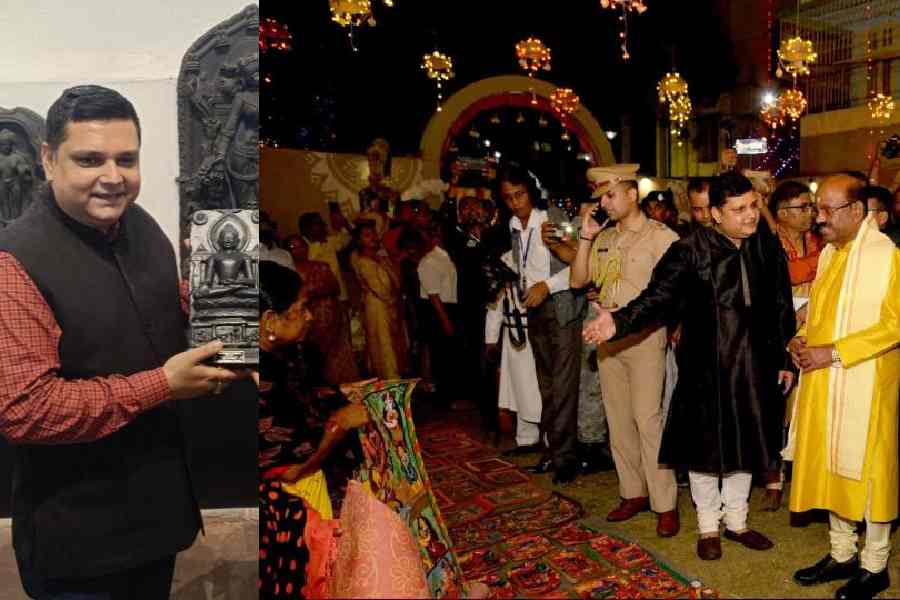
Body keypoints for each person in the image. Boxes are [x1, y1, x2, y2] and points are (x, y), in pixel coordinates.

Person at [0, 85, 245, 599]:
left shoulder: (140, 224)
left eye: (126, 159)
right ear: (48, 159)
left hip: (158, 513)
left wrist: (224, 317)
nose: (113, 177)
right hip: (79, 540)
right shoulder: (13, 261)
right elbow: (25, 409)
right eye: (89, 159)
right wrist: (162, 384)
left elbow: (157, 302)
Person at [584, 172, 796, 561]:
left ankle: (737, 522)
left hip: (753, 365)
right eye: (739, 210)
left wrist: (783, 358)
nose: (751, 215)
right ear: (715, 213)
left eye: (753, 206)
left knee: (744, 441)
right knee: (706, 447)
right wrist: (617, 322)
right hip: (706, 368)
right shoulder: (689, 249)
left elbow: (781, 304)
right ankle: (708, 526)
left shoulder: (764, 245)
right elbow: (658, 297)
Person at [785, 175, 900, 600]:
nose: (819, 219)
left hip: (866, 382)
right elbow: (822, 309)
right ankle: (842, 553)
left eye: (828, 210)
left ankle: (875, 565)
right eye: (818, 209)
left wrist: (832, 352)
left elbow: (893, 325)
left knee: (869, 472)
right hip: (826, 378)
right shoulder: (832, 254)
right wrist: (800, 339)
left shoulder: (887, 256)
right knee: (832, 464)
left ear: (857, 211)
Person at [572, 164, 680, 537]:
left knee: (647, 420)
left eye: (611, 194)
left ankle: (664, 502)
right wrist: (585, 238)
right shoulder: (604, 236)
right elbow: (578, 280)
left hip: (645, 338)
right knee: (618, 421)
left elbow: (675, 290)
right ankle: (632, 492)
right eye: (600, 196)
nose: (605, 202)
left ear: (632, 194)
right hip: (607, 342)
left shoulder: (661, 237)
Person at [257, 260, 372, 598]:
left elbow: (304, 394)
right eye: (301, 308)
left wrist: (345, 393)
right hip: (287, 514)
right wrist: (338, 427)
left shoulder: (284, 353)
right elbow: (292, 471)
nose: (309, 316)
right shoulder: (253, 381)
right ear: (269, 321)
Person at [498, 163, 585, 485]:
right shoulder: (512, 224)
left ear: (530, 192)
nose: (515, 203)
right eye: (508, 197)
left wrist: (545, 286)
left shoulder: (553, 219)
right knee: (546, 386)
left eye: (519, 195)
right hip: (533, 309)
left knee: (563, 387)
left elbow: (579, 262)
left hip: (561, 307)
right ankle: (552, 449)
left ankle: (566, 459)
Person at [765, 180, 825, 510]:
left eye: (811, 206)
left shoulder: (820, 240)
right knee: (776, 399)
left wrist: (811, 307)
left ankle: (807, 474)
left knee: (809, 403)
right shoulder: (770, 243)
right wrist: (793, 313)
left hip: (817, 323)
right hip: (780, 325)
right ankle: (774, 477)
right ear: (782, 213)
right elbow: (779, 278)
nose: (810, 213)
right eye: (803, 207)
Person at [284, 234, 360, 386]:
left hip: (332, 319)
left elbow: (335, 287)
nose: (298, 250)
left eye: (301, 245)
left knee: (339, 358)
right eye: (293, 247)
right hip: (310, 326)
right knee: (318, 362)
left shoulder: (321, 266)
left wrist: (311, 291)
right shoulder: (288, 273)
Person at [352, 221, 408, 379]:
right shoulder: (363, 262)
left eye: (374, 234)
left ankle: (397, 379)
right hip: (377, 306)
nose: (373, 238)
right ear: (359, 241)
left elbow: (397, 282)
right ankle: (390, 382)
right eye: (367, 236)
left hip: (390, 304)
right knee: (384, 347)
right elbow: (380, 289)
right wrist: (392, 300)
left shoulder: (380, 258)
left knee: (394, 344)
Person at [298, 210, 352, 301]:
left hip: (339, 295)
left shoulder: (329, 242)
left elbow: (347, 238)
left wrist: (345, 224)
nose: (323, 225)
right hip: (319, 299)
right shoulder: (302, 248)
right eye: (318, 223)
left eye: (322, 222)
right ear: (307, 229)